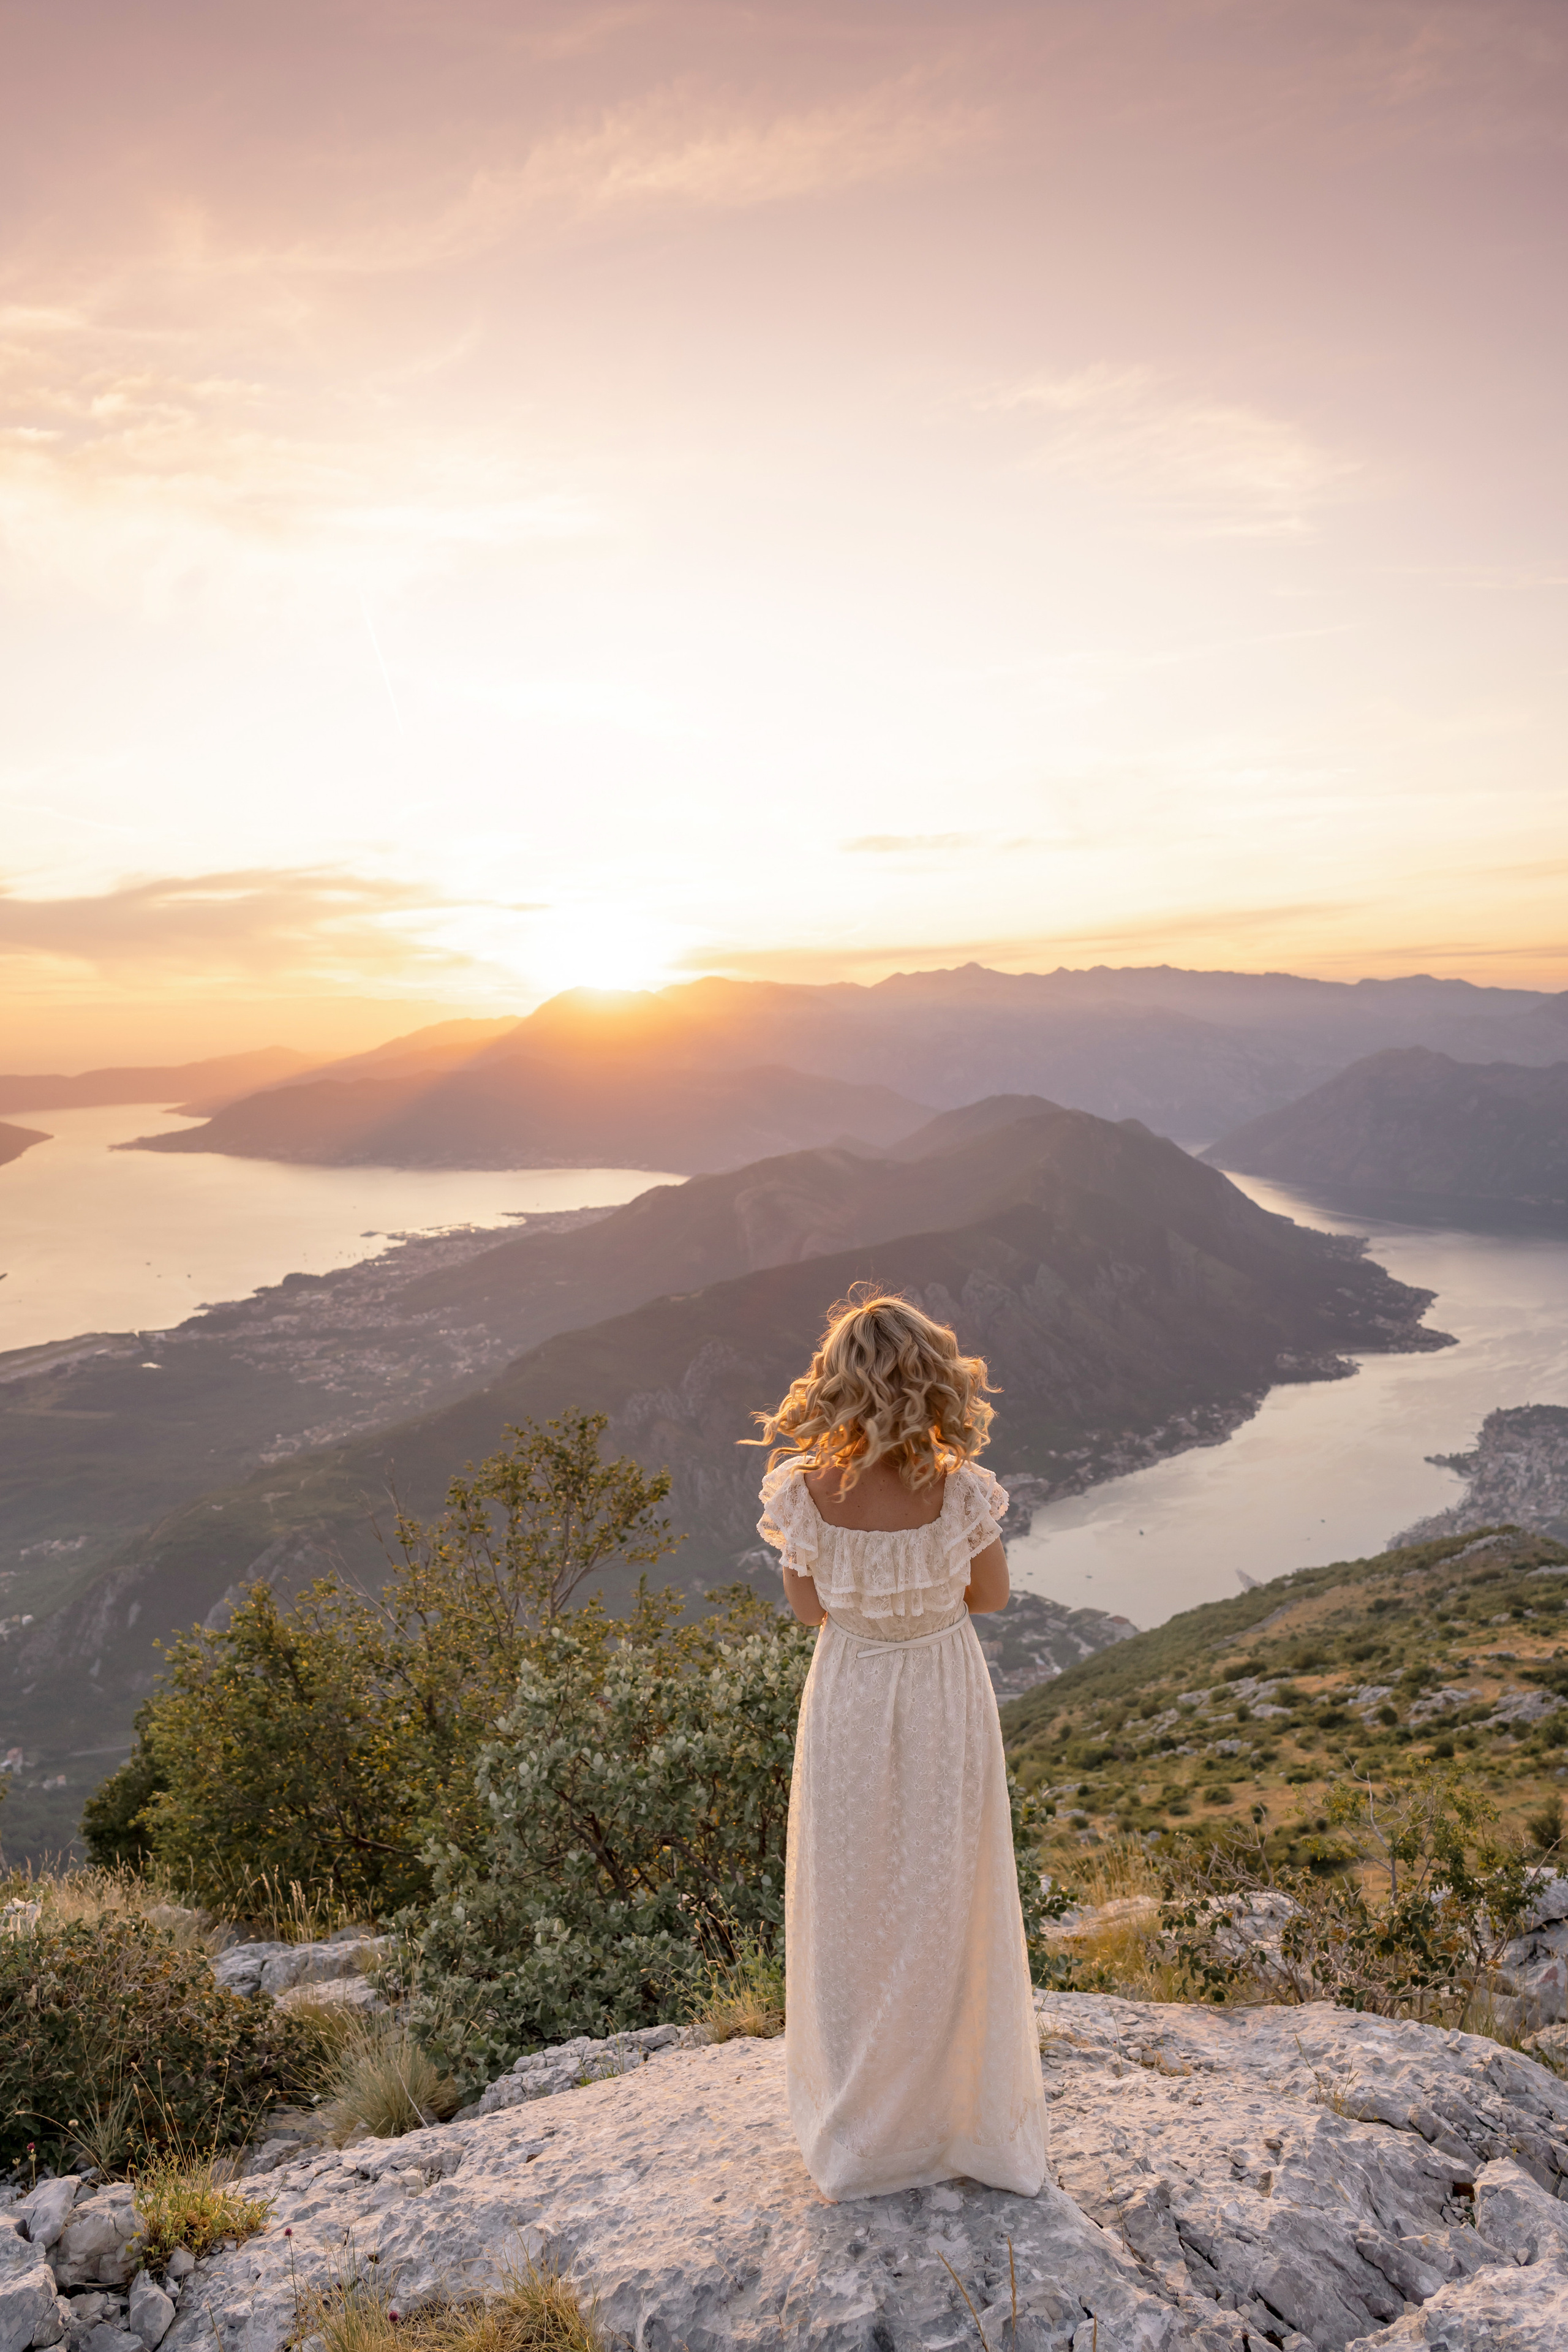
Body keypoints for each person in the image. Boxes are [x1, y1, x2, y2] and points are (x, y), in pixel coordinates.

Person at [753, 1290, 1047, 2203]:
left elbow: (808, 1611)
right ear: (932, 1382)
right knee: (949, 1894)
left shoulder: (800, 1490)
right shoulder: (959, 1488)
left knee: (849, 1900)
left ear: (836, 1384)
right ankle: (958, 2115)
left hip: (849, 1694)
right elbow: (990, 1597)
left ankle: (862, 2120)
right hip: (940, 1690)